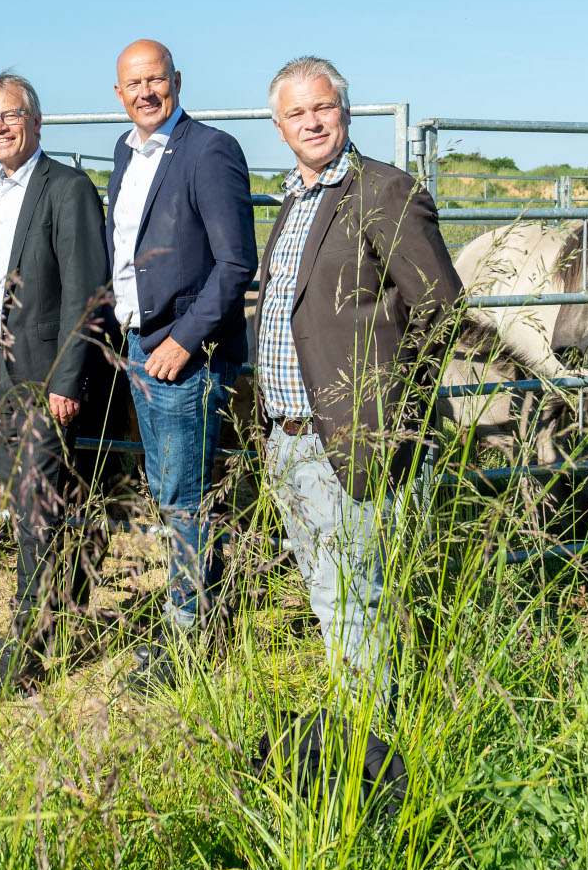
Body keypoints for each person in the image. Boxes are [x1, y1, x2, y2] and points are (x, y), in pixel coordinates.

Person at [255, 56, 461, 711]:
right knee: (330, 593)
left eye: (323, 107)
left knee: (355, 598)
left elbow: (440, 307)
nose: (311, 122)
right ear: (280, 126)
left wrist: (396, 410)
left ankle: (372, 757)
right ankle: (372, 731)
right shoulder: (293, 197)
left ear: (345, 111)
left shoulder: (383, 191)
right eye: (296, 113)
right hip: (288, 436)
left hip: (350, 437)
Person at [103, 40, 257, 690]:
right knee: (170, 492)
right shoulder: (124, 151)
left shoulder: (209, 150)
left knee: (185, 498)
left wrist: (184, 341)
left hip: (183, 355)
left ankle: (187, 636)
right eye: (133, 83)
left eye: (155, 80)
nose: (145, 92)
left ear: (177, 81)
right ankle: (197, 609)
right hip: (140, 346)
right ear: (119, 93)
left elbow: (235, 263)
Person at [0, 71, 110, 695]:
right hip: (3, 367)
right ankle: (50, 615)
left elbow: (87, 291)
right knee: (24, 498)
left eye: (10, 114)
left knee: (37, 506)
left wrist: (68, 379)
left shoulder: (67, 188)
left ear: (36, 119)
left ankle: (29, 643)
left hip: (46, 375)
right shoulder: (4, 191)